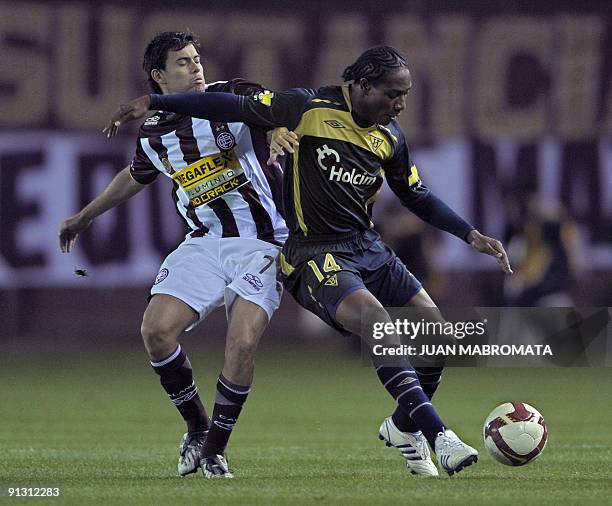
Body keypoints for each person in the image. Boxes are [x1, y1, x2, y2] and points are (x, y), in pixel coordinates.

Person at [103, 45, 513, 477]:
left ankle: (402, 426)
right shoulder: (306, 106)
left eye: (405, 94)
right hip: (311, 252)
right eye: (393, 94)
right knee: (378, 326)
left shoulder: (390, 136)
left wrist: (470, 234)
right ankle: (439, 436)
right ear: (362, 86)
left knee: (435, 335)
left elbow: (416, 195)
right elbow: (230, 104)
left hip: (367, 246)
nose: (400, 104)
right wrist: (156, 101)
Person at [59, 31, 294, 479]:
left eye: (196, 58)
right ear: (158, 76)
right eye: (183, 62)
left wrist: (279, 126)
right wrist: (84, 216)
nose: (196, 67)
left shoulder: (231, 95)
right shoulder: (153, 133)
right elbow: (137, 174)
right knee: (156, 331)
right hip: (203, 242)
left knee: (242, 341)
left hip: (262, 241)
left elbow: (274, 107)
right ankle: (197, 427)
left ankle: (214, 452)